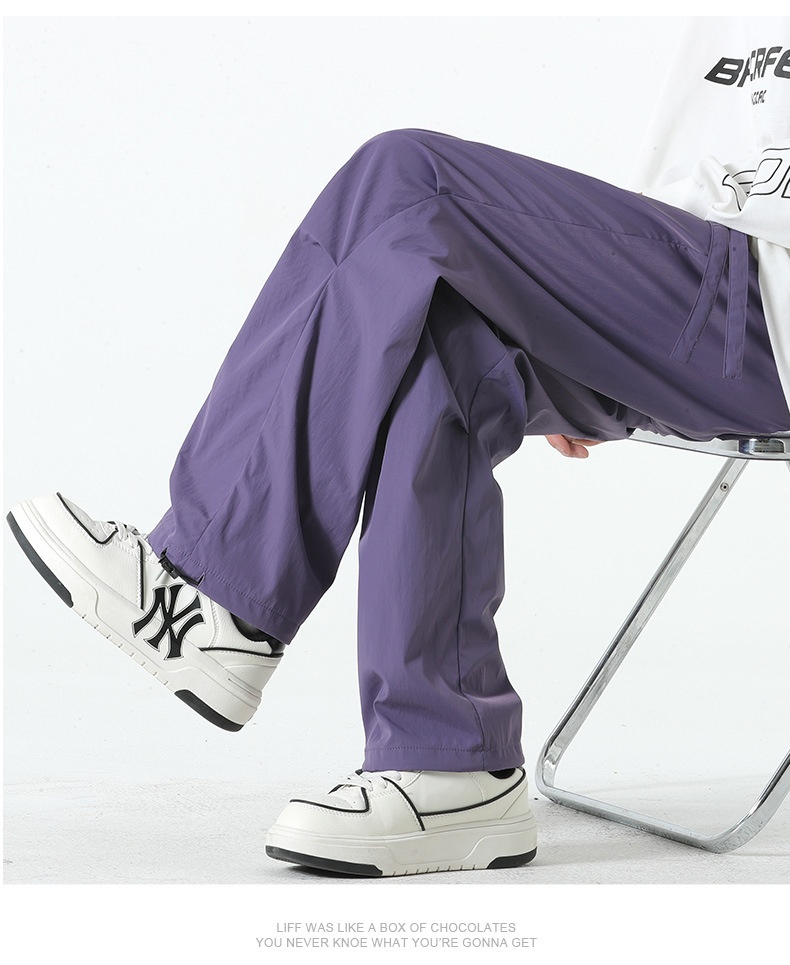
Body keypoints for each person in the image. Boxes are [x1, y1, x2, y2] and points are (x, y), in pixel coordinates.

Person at [7, 16, 789, 878]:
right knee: (437, 327)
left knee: (406, 178)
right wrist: (596, 310)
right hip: (699, 295)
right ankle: (451, 761)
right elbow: (708, 167)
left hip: (759, 306)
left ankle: (218, 591)